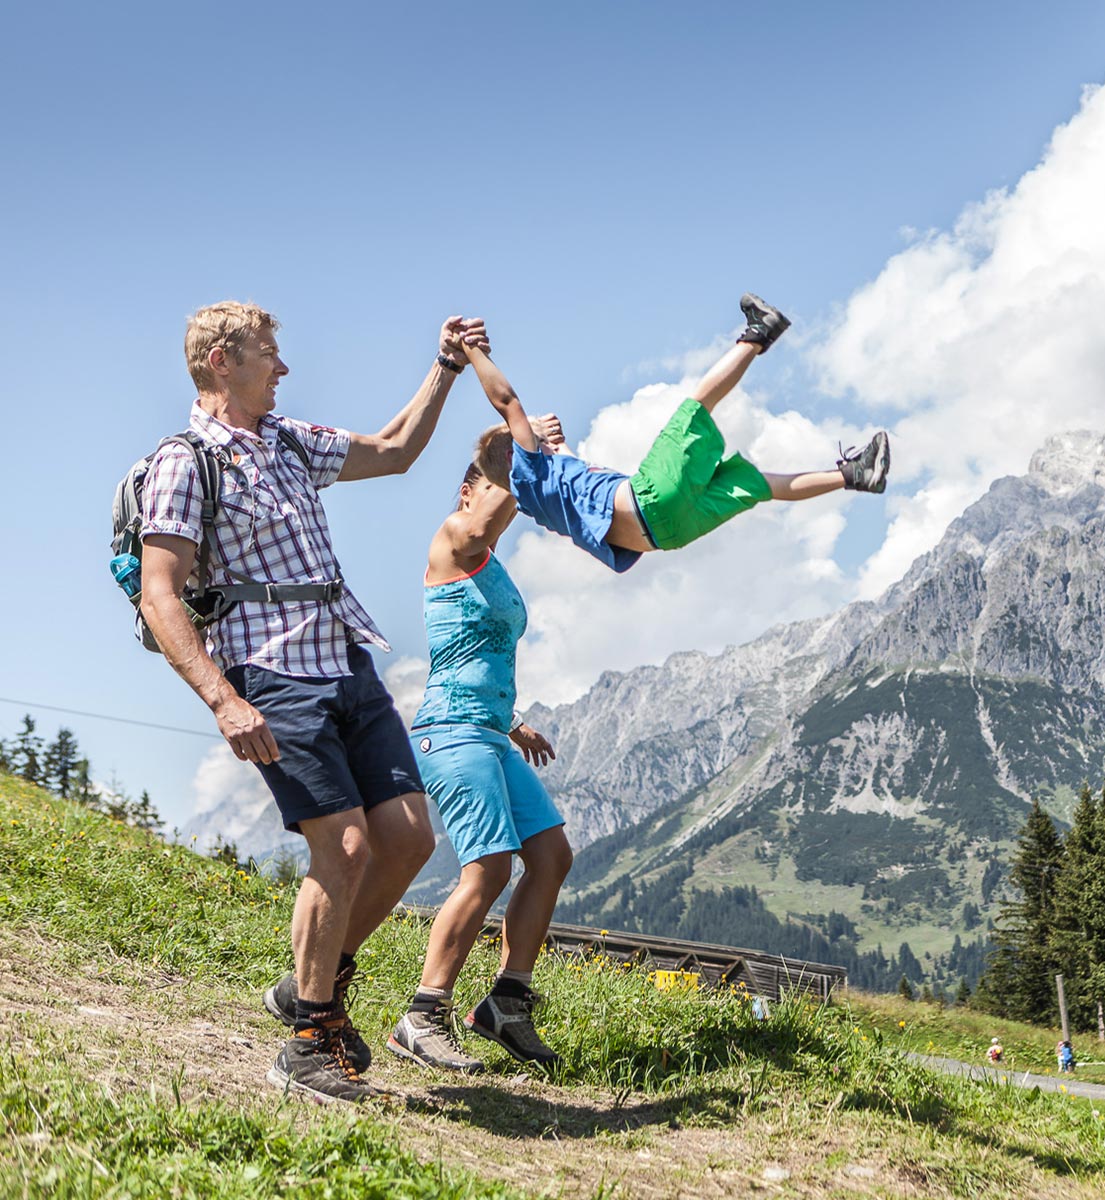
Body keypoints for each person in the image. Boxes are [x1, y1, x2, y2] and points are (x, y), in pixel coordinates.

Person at [140, 302, 482, 1103]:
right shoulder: (186, 461)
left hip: (344, 657)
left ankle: (309, 986)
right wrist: (224, 701)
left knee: (405, 837)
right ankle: (308, 1042)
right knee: (347, 848)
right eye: (269, 353)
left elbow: (395, 452)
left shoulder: (290, 441)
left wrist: (446, 367)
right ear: (222, 361)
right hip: (267, 669)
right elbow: (161, 596)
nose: (283, 367)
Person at [384, 428, 573, 1073]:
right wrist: (523, 451)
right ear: (468, 491)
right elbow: (482, 519)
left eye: (514, 496)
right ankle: (423, 1013)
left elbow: (477, 656)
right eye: (498, 487)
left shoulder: (492, 569)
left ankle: (507, 1003)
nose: (509, 503)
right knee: (489, 869)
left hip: (490, 732)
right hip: (449, 733)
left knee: (550, 856)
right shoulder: (452, 541)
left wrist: (513, 722)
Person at [459, 295, 888, 575]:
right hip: (651, 498)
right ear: (519, 447)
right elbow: (507, 401)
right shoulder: (527, 470)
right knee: (694, 408)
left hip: (667, 536)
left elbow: (570, 468)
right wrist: (471, 349)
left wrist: (558, 443)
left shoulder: (541, 492)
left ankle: (855, 475)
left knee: (764, 485)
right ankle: (758, 333)